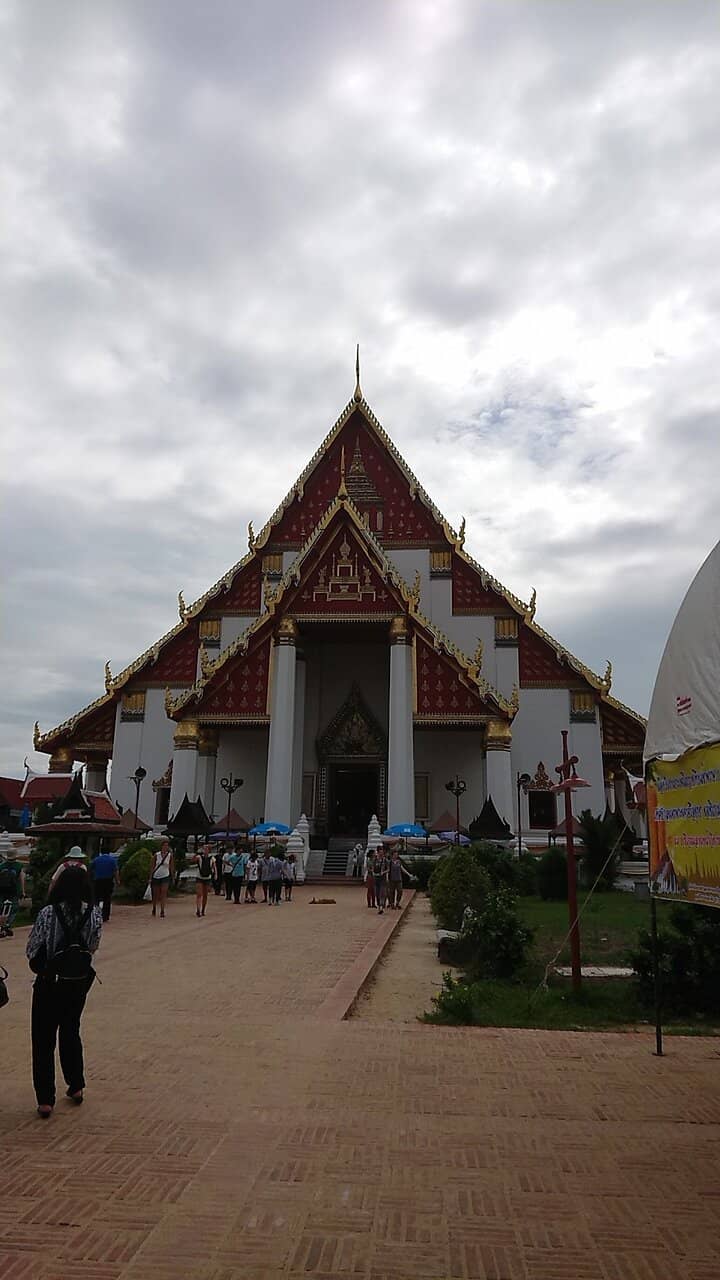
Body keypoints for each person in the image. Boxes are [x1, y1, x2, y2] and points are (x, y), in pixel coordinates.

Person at [26, 865, 102, 1119]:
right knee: (71, 1031)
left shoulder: (48, 913)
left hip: (50, 982)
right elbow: (93, 946)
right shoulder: (93, 913)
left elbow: (32, 948)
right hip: (77, 982)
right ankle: (76, 1084)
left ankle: (45, 1099)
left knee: (43, 1039)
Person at [0, 839, 26, 938]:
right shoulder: (19, 866)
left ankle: (1, 927)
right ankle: (7, 925)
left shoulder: (1, 866)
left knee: (1, 908)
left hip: (2, 890)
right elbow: (22, 879)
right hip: (14, 890)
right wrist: (23, 891)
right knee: (14, 908)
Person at [90, 847, 119, 922]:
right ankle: (105, 916)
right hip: (108, 881)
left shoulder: (96, 859)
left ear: (101, 852)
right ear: (109, 852)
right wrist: (117, 881)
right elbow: (115, 871)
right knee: (107, 899)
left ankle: (95, 914)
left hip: (98, 881)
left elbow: (91, 869)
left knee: (96, 898)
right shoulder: (112, 860)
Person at [149, 839, 173, 918]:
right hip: (156, 875)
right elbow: (152, 866)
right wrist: (150, 877)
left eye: (167, 846)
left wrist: (172, 876)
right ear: (161, 846)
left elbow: (171, 866)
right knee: (155, 894)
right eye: (164, 845)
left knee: (163, 893)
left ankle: (162, 910)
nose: (165, 847)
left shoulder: (169, 856)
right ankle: (154, 907)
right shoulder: (156, 855)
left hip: (165, 875)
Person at [195, 841, 215, 917]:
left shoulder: (212, 858)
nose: (205, 850)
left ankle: (203, 909)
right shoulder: (199, 857)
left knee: (205, 895)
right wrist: (197, 853)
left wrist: (215, 874)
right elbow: (193, 860)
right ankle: (198, 909)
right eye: (204, 849)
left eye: (206, 849)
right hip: (200, 877)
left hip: (207, 877)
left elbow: (214, 867)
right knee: (199, 894)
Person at [372, 845, 389, 915]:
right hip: (376, 878)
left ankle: (381, 906)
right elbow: (372, 867)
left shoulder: (385, 860)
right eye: (380, 852)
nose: (381, 853)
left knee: (382, 893)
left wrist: (383, 872)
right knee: (377, 893)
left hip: (383, 878)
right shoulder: (375, 860)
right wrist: (373, 872)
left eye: (382, 852)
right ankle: (379, 906)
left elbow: (388, 869)